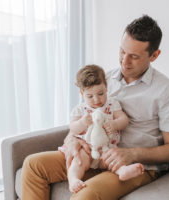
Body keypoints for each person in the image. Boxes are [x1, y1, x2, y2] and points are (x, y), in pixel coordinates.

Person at [21, 15, 169, 200]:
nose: (125, 61)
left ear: (154, 55)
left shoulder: (167, 91)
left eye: (134, 56)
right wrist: (71, 141)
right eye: (122, 51)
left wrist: (131, 154)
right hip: (93, 156)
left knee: (84, 196)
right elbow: (81, 118)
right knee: (33, 165)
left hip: (136, 167)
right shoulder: (103, 80)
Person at [59, 64, 144, 193]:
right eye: (90, 96)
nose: (97, 99)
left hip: (106, 147)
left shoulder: (112, 104)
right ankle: (73, 179)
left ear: (106, 88)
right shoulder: (80, 109)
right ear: (81, 93)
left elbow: (124, 119)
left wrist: (114, 124)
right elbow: (73, 128)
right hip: (86, 148)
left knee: (113, 160)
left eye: (100, 93)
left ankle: (123, 171)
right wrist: (82, 123)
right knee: (78, 161)